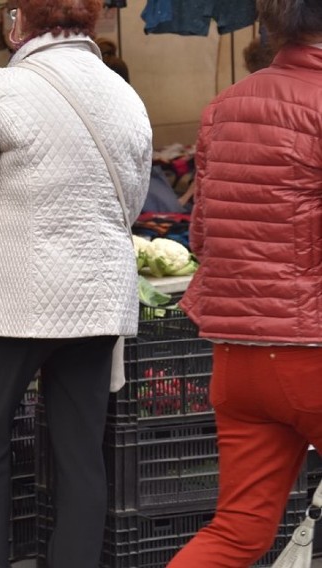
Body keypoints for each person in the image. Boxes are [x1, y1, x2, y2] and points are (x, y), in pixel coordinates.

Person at [0, 0, 152, 566]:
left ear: (18, 21)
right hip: (99, 297)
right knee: (81, 455)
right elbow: (134, 204)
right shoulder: (127, 96)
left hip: (11, 299)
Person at [167, 1, 322, 566]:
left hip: (238, 355)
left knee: (237, 532)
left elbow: (202, 237)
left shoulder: (227, 104)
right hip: (312, 349)